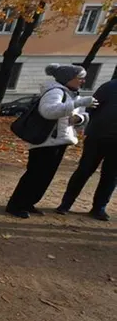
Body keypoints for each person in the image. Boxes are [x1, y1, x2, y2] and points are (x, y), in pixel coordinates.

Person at [6, 64, 98, 219]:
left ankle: (28, 202)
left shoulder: (72, 93)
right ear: (68, 78)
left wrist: (79, 118)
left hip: (59, 140)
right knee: (35, 174)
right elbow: (48, 112)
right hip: (45, 141)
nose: (83, 81)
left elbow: (79, 115)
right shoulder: (55, 91)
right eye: (80, 78)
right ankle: (16, 205)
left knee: (45, 176)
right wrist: (78, 103)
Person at [56, 77, 117, 221]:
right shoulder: (109, 87)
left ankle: (99, 208)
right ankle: (66, 204)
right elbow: (91, 107)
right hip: (98, 136)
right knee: (84, 170)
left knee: (111, 176)